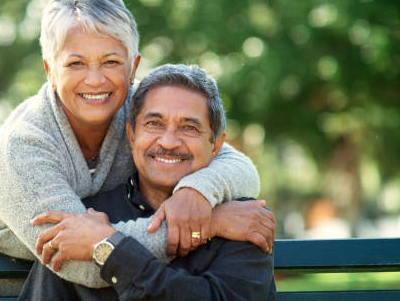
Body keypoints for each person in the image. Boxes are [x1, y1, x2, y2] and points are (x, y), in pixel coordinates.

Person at [0, 0, 271, 297]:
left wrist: (197, 192)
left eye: (111, 62)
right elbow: (80, 261)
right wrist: (206, 223)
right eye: (76, 64)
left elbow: (232, 161)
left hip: (53, 280)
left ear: (133, 67)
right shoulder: (22, 148)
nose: (96, 80)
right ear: (50, 70)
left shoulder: (140, 115)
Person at [20, 64, 276, 300]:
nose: (168, 141)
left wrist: (111, 249)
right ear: (131, 135)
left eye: (189, 128)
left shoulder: (243, 221)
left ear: (216, 146)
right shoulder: (85, 218)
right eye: (154, 124)